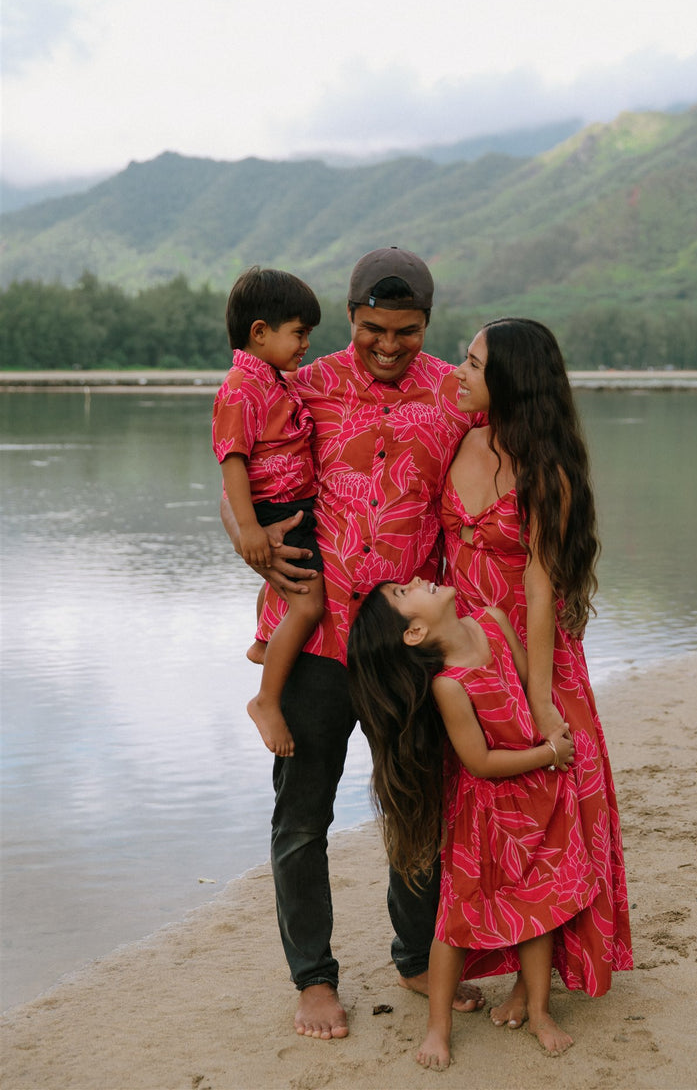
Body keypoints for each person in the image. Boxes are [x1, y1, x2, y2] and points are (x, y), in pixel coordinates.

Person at [220, 247, 480, 1039]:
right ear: (352, 316)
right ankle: (314, 978)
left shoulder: (457, 394)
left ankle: (412, 953)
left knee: (418, 807)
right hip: (320, 639)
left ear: (428, 324)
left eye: (406, 331)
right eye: (373, 329)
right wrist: (245, 536)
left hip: (409, 640)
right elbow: (244, 464)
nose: (389, 345)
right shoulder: (302, 383)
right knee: (302, 817)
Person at [440, 316, 633, 1026]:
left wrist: (543, 699)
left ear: (511, 381)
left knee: (558, 814)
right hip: (468, 653)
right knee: (486, 812)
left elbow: (543, 589)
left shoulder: (545, 471)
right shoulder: (459, 435)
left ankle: (538, 982)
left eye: (472, 361)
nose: (457, 372)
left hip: (534, 654)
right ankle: (504, 957)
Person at [348, 576, 599, 1069]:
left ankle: (540, 1011)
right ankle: (437, 1030)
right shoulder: (448, 684)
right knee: (455, 916)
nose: (416, 580)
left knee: (538, 902)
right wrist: (547, 754)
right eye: (403, 595)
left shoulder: (493, 621)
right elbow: (479, 762)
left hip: (536, 797)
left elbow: (531, 694)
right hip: (486, 813)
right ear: (414, 633)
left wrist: (549, 747)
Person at [212, 267, 325, 757]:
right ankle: (267, 700)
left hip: (289, 502)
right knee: (307, 603)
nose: (305, 345)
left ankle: (263, 642)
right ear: (260, 332)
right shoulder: (242, 387)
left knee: (276, 583)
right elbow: (232, 459)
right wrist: (250, 529)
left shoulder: (272, 380)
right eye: (299, 333)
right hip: (275, 506)